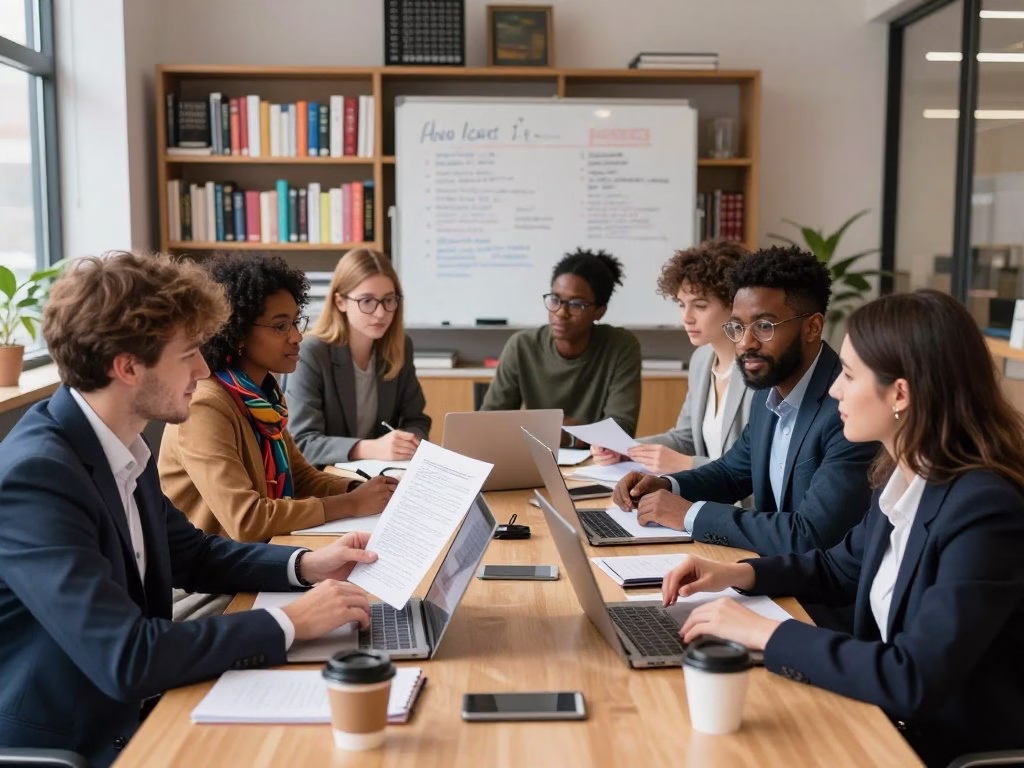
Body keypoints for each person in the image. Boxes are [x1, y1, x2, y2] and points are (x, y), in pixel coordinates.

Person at [0, 252, 379, 766]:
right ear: (127, 367)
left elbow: (195, 555)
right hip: (80, 741)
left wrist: (306, 565)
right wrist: (289, 623)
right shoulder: (39, 476)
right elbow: (127, 656)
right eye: (189, 352)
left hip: (141, 704)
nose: (204, 368)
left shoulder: (116, 446)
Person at [660, 290, 1024, 767]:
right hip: (876, 716)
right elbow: (838, 568)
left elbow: (912, 677)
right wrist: (737, 575)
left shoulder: (984, 511)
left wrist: (764, 633)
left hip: (934, 745)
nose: (834, 390)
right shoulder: (905, 476)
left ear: (900, 393)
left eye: (849, 376)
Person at [612, 245, 878, 556]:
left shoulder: (847, 411)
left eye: (764, 326)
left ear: (812, 327)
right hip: (769, 574)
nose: (745, 343)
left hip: (813, 598)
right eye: (738, 327)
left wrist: (687, 514)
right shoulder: (769, 390)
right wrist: (667, 485)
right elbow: (732, 473)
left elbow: (809, 535)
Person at [160, 252, 395, 547]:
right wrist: (351, 504)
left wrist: (366, 490)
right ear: (237, 331)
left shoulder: (262, 396)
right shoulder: (204, 405)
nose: (297, 337)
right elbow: (247, 521)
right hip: (217, 582)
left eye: (296, 322)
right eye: (280, 326)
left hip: (261, 556)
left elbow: (301, 479)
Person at [591, 241, 754, 475]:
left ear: (734, 304)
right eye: (681, 304)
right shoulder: (702, 360)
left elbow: (756, 469)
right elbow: (686, 438)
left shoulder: (758, 367)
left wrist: (688, 465)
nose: (686, 317)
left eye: (700, 305)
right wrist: (627, 449)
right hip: (706, 498)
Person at [286, 248, 430, 468]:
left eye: (388, 300)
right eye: (367, 301)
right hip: (324, 483)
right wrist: (371, 448)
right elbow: (301, 443)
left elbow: (416, 419)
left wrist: (409, 441)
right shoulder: (311, 353)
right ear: (340, 302)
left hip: (383, 477)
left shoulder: (400, 347)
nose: (381, 313)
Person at [481, 247, 642, 442]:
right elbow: (488, 421)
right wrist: (575, 431)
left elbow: (621, 430)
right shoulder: (522, 346)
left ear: (599, 311)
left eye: (576, 304)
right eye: (555, 300)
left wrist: (551, 431)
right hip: (535, 455)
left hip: (598, 463)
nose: (560, 313)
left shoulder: (620, 346)